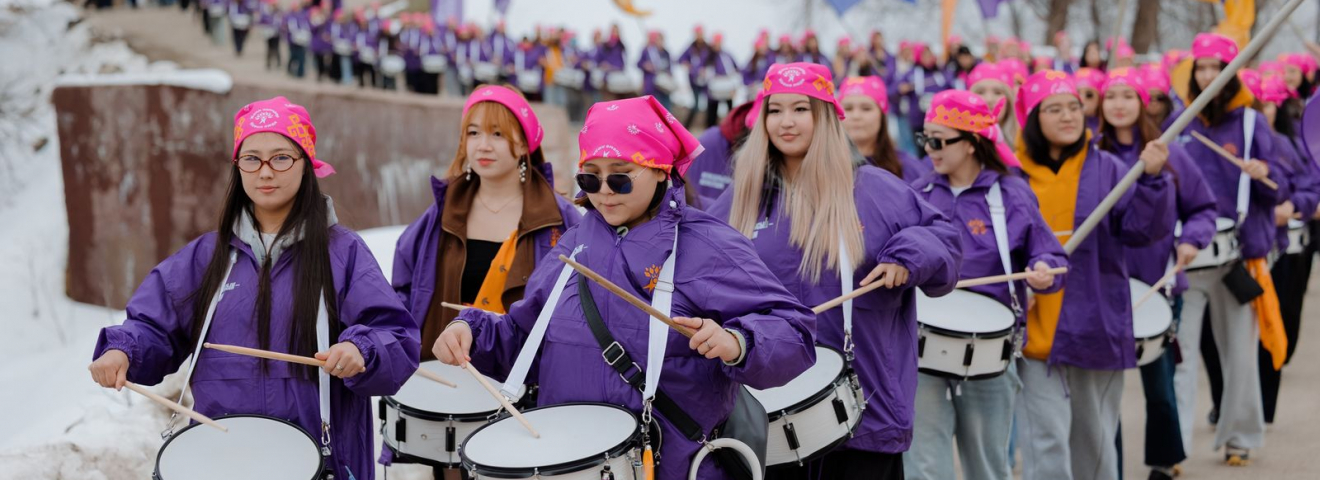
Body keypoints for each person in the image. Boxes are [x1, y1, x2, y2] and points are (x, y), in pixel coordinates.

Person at [434, 95, 817, 480]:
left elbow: (795, 332)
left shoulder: (709, 245)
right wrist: (470, 330)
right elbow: (521, 336)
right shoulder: (572, 244)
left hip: (675, 466)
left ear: (659, 169)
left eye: (619, 176)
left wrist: (738, 344)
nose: (603, 191)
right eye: (589, 177)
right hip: (570, 464)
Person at [87, 97, 420, 480]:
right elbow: (152, 325)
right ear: (238, 166)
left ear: (306, 164)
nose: (265, 171)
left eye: (281, 157)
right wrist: (122, 350)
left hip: (321, 460)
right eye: (252, 158)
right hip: (225, 459)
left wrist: (361, 350)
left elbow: (394, 334)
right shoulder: (204, 258)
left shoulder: (343, 253)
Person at [708, 62, 963, 480]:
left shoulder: (872, 187)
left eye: (801, 109)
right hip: (769, 410)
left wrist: (907, 256)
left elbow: (944, 239)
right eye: (775, 110)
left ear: (825, 116)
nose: (785, 122)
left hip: (866, 405)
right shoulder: (743, 197)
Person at [384, 85, 579, 477]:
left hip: (521, 394)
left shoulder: (562, 221)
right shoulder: (441, 212)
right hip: (445, 390)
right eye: (472, 133)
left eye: (496, 133)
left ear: (524, 144)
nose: (482, 145)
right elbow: (403, 293)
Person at [1011, 70, 1175, 480]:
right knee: (1044, 441)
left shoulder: (1110, 169)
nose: (1068, 116)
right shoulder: (1012, 178)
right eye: (1054, 109)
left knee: (1095, 441)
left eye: (1073, 107)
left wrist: (1153, 180)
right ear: (1032, 117)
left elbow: (1142, 231)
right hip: (1033, 333)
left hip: (1094, 324)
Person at [904, 90, 1066, 480]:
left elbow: (1051, 255)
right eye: (924, 139)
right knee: (923, 463)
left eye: (939, 141)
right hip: (923, 346)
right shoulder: (917, 194)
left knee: (988, 465)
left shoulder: (1011, 193)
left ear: (973, 142)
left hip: (990, 350)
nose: (929, 150)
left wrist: (1043, 269)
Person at [1172, 34, 1290, 467]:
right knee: (1180, 357)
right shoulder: (1178, 122)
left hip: (1237, 256)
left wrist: (1264, 172)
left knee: (1240, 353)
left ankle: (1240, 436)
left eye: (1215, 68)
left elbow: (1282, 184)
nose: (1206, 76)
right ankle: (1173, 448)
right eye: (1200, 68)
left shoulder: (1251, 123)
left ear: (1230, 73)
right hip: (1187, 256)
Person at [1096, 67, 1219, 480]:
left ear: (1142, 102)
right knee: (1102, 393)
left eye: (1127, 95)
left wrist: (1191, 241)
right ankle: (1105, 466)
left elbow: (1203, 208)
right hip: (1103, 290)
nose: (1118, 103)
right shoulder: (1091, 154)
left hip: (1159, 286)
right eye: (1109, 95)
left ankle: (1163, 464)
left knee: (1160, 388)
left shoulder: (1168, 152)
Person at [837, 76, 929, 181]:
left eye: (866, 108)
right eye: (848, 108)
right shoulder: (824, 166)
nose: (856, 116)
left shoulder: (908, 168)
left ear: (882, 116)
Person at [897, 43, 950, 152]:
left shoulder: (939, 73)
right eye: (924, 55)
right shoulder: (911, 73)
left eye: (929, 55)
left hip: (938, 119)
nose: (927, 58)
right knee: (921, 149)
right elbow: (895, 89)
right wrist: (903, 89)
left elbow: (950, 87)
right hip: (918, 120)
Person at [968, 62, 1020, 151]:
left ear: (1009, 100)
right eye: (981, 92)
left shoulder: (1024, 143)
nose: (989, 99)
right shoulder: (960, 146)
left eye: (998, 92)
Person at [639, 30, 676, 109]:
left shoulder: (666, 53)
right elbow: (638, 63)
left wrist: (670, 75)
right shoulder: (648, 52)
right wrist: (645, 66)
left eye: (660, 40)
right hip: (652, 86)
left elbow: (670, 68)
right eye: (657, 40)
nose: (659, 42)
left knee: (666, 108)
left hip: (664, 86)